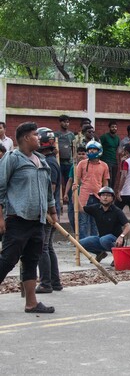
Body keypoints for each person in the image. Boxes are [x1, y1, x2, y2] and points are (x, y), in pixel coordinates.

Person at [0, 122, 57, 313]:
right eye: (35, 135)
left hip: (38, 220)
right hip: (17, 218)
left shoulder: (42, 160)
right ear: (25, 138)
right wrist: (1, 217)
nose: (38, 138)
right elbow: (0, 188)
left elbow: (48, 189)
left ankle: (31, 303)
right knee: (8, 260)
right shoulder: (12, 158)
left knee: (31, 260)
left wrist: (52, 210)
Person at [35, 128, 63, 293]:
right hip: (51, 210)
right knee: (48, 246)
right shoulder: (49, 160)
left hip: (48, 211)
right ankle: (55, 281)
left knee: (43, 247)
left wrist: (47, 210)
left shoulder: (49, 163)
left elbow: (50, 190)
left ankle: (46, 283)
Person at [79, 187, 130, 263]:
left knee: (104, 239)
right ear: (99, 197)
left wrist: (121, 237)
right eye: (103, 195)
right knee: (80, 243)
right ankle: (100, 253)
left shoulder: (117, 211)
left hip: (115, 240)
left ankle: (118, 256)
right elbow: (81, 209)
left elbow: (128, 226)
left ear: (112, 198)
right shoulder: (96, 208)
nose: (105, 197)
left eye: (108, 195)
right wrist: (75, 194)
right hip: (101, 239)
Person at [76, 141, 110, 239]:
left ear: (99, 151)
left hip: (97, 196)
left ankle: (95, 243)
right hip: (84, 196)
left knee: (95, 221)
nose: (91, 151)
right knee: (83, 221)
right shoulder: (82, 164)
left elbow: (105, 182)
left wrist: (106, 196)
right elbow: (77, 181)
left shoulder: (104, 165)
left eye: (94, 149)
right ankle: (83, 244)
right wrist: (75, 196)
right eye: (89, 149)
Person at [54, 115, 76, 190]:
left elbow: (74, 148)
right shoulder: (56, 135)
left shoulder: (71, 135)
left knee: (69, 182)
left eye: (67, 122)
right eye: (64, 122)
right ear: (60, 123)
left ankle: (69, 200)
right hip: (59, 162)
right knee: (58, 182)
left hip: (69, 162)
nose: (66, 124)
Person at [100, 120, 120, 189]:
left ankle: (111, 196)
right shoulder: (104, 137)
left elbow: (117, 149)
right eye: (112, 127)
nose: (114, 128)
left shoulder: (117, 138)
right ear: (109, 128)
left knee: (113, 180)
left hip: (114, 161)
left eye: (115, 127)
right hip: (106, 161)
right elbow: (99, 147)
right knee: (108, 179)